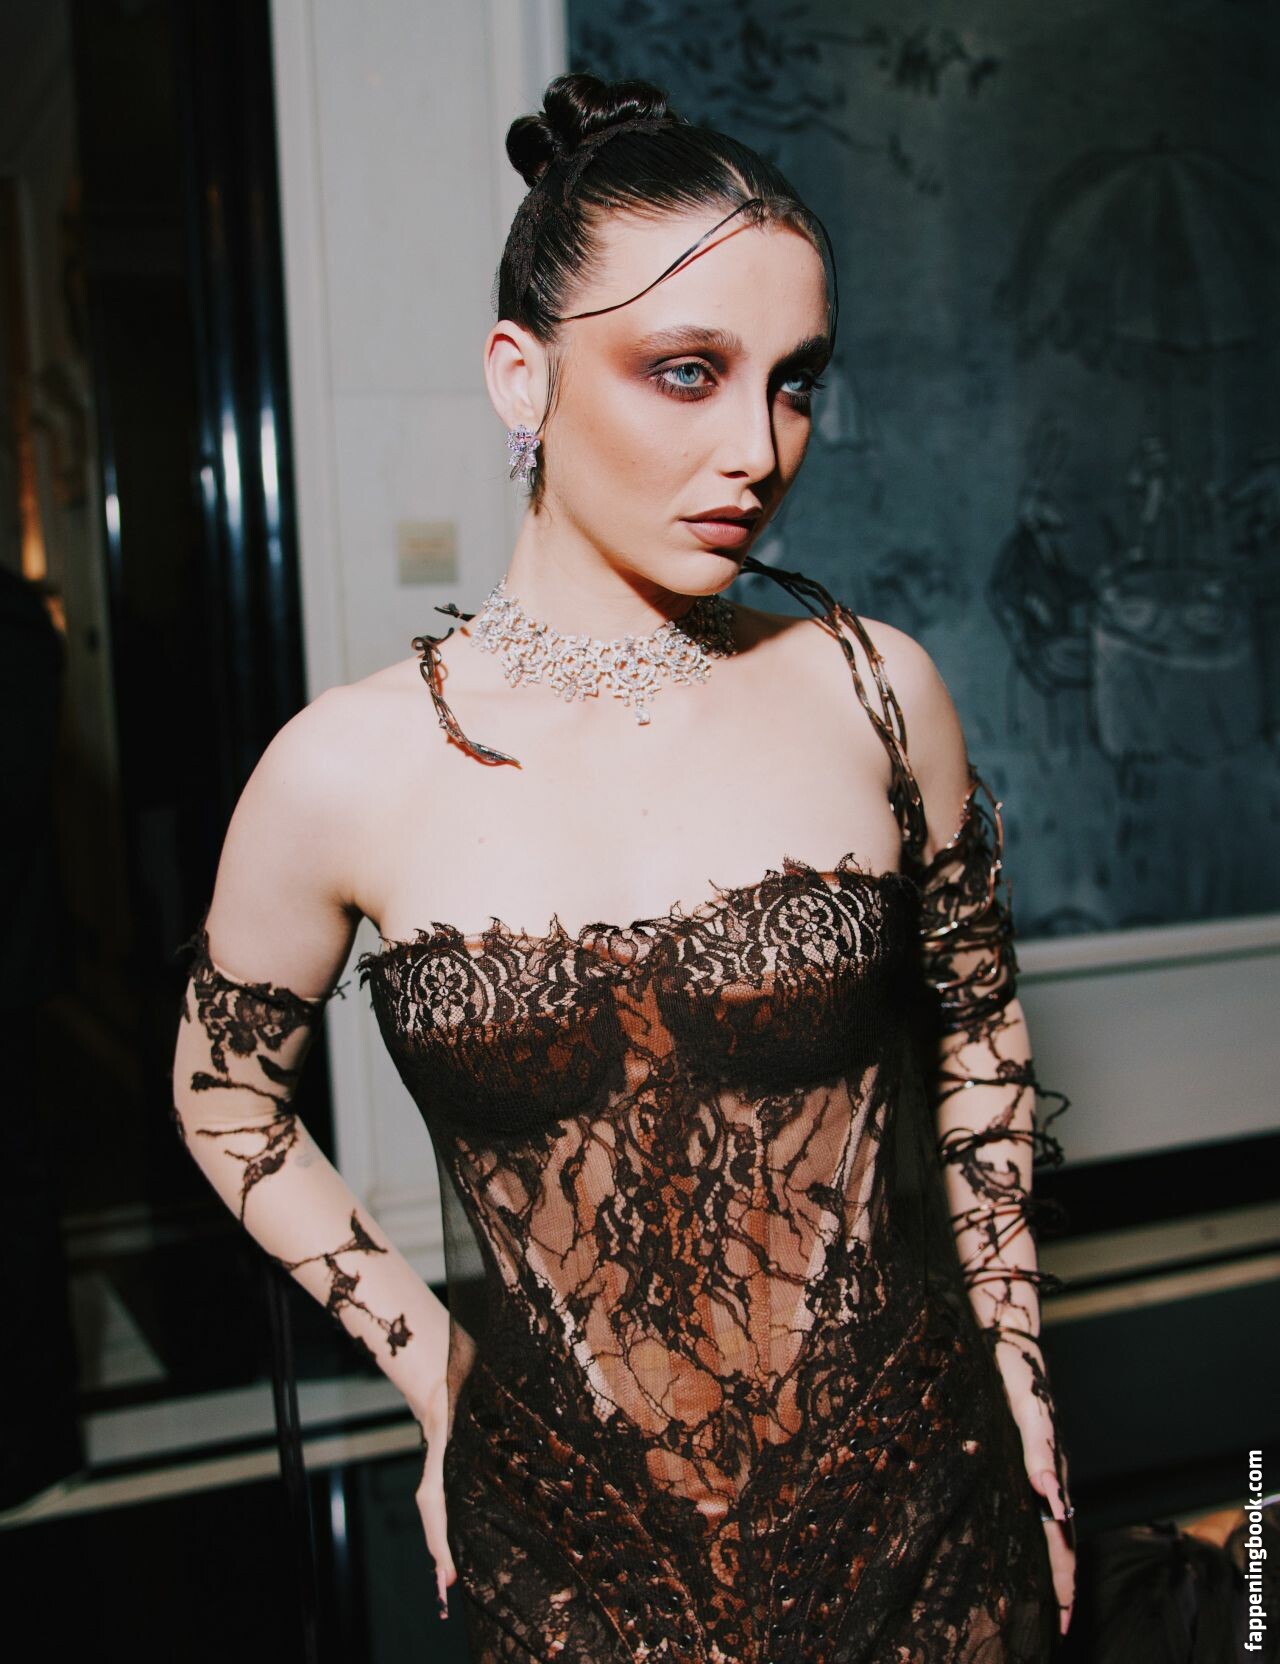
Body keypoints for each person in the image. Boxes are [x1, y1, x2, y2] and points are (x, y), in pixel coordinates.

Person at [170, 71, 1076, 1661]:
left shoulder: (874, 690)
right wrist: (434, 1370)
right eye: (687, 372)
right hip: (572, 1569)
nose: (759, 448)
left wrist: (1029, 1407)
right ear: (520, 376)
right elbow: (222, 1095)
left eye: (795, 383)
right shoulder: (344, 770)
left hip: (929, 1534)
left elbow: (981, 1041)